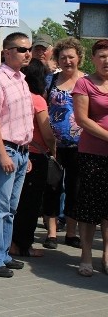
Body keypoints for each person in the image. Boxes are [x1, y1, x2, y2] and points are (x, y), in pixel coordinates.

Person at [0, 32, 33, 277]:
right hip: (6, 149)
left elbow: (22, 121)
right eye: (22, 49)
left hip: (21, 151)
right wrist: (2, 154)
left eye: (28, 49)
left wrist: (26, 154)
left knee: (11, 208)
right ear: (8, 51)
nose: (27, 53)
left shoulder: (22, 79)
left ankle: (3, 253)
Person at [9, 59, 55, 258]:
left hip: (15, 152)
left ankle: (9, 241)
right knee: (30, 204)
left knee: (14, 202)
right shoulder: (37, 100)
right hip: (35, 156)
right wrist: (53, 149)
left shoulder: (15, 97)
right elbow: (46, 133)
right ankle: (23, 245)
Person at [43, 38, 85, 250]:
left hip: (82, 145)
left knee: (75, 188)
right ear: (58, 59)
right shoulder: (50, 80)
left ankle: (71, 232)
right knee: (52, 186)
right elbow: (41, 107)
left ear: (79, 57)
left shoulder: (87, 81)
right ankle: (51, 233)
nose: (67, 61)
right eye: (63, 57)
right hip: (54, 145)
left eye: (71, 57)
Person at [71, 39, 108, 277]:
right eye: (102, 56)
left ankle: (106, 252)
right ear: (93, 59)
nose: (107, 61)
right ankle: (86, 254)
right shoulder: (84, 84)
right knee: (90, 206)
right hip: (93, 153)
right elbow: (82, 120)